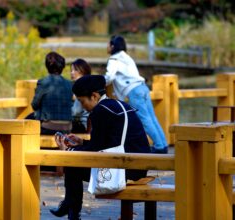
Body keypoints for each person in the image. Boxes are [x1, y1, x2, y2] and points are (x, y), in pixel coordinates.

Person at [49, 75, 150, 220]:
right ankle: (70, 207)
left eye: (81, 101)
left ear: (94, 96)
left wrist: (68, 151)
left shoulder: (100, 111)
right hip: (137, 167)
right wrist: (81, 143)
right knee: (73, 162)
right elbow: (104, 144)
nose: (81, 105)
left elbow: (95, 151)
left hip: (125, 172)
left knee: (72, 164)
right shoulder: (117, 104)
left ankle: (71, 210)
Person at [104, 35, 168, 153]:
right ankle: (163, 144)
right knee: (152, 118)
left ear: (113, 46)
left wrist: (99, 80)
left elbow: (109, 77)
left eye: (108, 44)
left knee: (144, 120)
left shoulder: (113, 59)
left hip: (133, 90)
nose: (106, 47)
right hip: (143, 87)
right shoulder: (127, 57)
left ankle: (159, 147)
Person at [31, 51, 73, 134]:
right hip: (67, 127)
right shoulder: (69, 84)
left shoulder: (43, 82)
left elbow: (34, 105)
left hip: (48, 127)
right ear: (62, 67)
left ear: (47, 66)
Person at [70, 58, 91, 133]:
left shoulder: (83, 87)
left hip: (83, 125)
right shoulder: (88, 84)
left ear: (83, 71)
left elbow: (75, 112)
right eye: (71, 70)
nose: (72, 73)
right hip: (81, 123)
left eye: (75, 70)